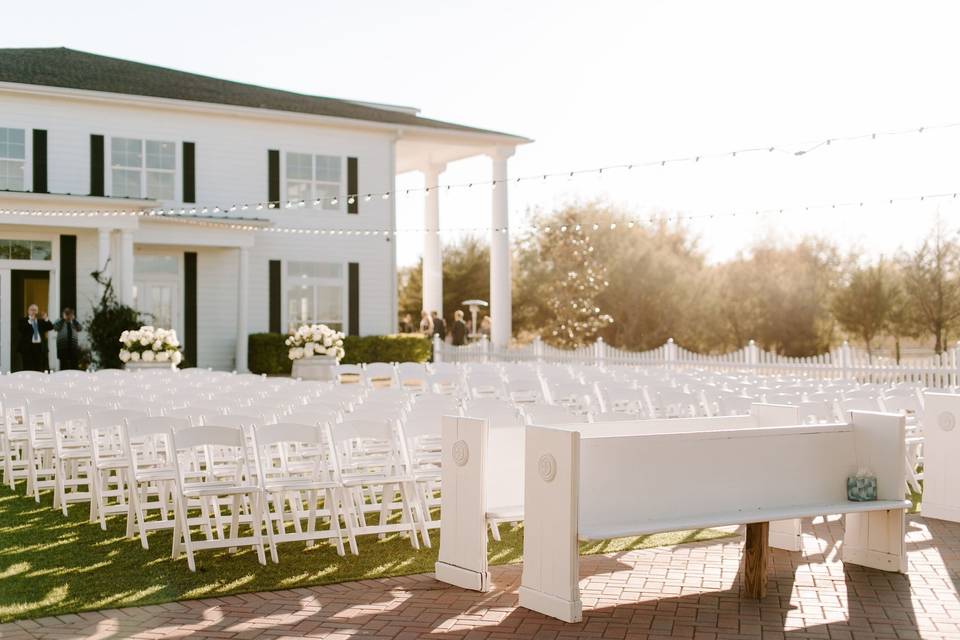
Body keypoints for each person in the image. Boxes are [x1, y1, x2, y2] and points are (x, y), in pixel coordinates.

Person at [18, 304, 54, 372]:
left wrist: (46, 318)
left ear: (37, 312)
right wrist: (30, 321)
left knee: (39, 368)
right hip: (28, 348)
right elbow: (21, 329)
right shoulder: (23, 320)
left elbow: (50, 327)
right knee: (28, 368)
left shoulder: (41, 321)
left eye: (35, 310)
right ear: (28, 311)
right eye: (32, 310)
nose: (33, 312)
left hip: (39, 347)